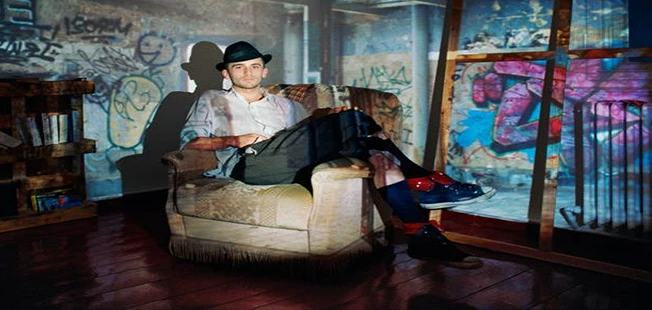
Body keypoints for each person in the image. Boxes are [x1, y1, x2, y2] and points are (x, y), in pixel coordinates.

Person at [180, 41, 495, 269]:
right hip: (248, 165)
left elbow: (306, 138)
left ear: (265, 70)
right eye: (239, 67)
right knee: (355, 122)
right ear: (227, 73)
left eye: (254, 66)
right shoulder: (211, 99)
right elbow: (189, 144)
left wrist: (331, 117)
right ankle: (426, 182)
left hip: (291, 162)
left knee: (378, 157)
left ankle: (421, 235)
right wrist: (235, 139)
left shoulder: (288, 106)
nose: (248, 73)